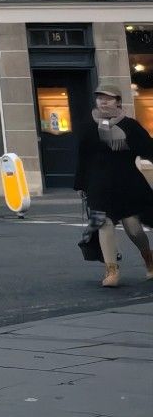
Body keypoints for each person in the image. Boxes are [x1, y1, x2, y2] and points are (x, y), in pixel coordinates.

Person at [76, 85, 153, 289]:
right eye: (100, 98)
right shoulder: (88, 126)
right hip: (98, 184)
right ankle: (112, 271)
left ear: (118, 102)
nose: (103, 101)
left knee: (134, 229)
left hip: (126, 183)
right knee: (103, 223)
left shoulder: (130, 126)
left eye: (108, 98)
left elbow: (149, 149)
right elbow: (83, 156)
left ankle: (148, 258)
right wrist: (81, 184)